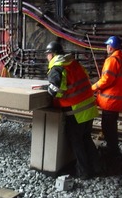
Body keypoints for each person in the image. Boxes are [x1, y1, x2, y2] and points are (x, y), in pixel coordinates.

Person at [45, 41, 102, 179]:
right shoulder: (74, 63)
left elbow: (56, 91)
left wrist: (47, 90)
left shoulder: (57, 68)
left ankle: (83, 172)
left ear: (52, 55)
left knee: (76, 142)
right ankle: (98, 167)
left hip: (76, 112)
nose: (47, 57)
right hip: (89, 108)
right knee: (86, 139)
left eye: (47, 54)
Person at [92, 36, 122, 157]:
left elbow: (106, 80)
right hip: (117, 100)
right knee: (111, 126)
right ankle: (114, 149)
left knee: (107, 127)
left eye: (108, 45)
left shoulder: (112, 60)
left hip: (110, 101)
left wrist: (93, 87)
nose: (107, 47)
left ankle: (112, 151)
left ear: (111, 46)